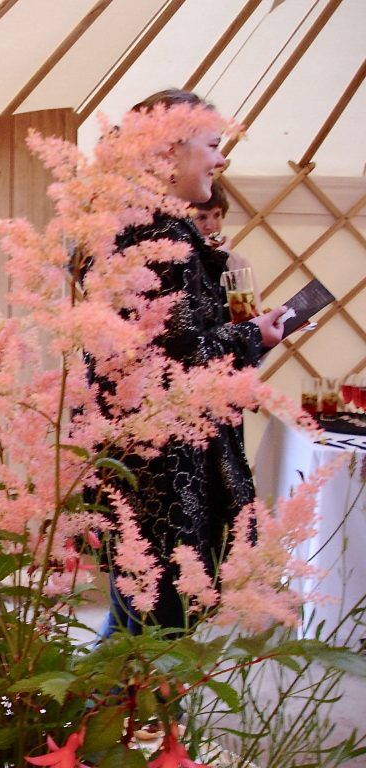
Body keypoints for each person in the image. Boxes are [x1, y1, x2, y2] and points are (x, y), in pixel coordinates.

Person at [100, 90, 287, 635]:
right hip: (167, 471)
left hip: (140, 457)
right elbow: (186, 364)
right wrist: (254, 334)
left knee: (136, 624)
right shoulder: (163, 236)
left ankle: (91, 720)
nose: (222, 159)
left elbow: (165, 350)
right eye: (213, 145)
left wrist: (247, 332)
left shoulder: (128, 224)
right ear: (169, 154)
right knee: (158, 637)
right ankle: (109, 721)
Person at [192, 178, 262, 307]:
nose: (211, 225)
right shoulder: (179, 262)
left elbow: (245, 313)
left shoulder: (236, 263)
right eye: (202, 217)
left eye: (217, 215)